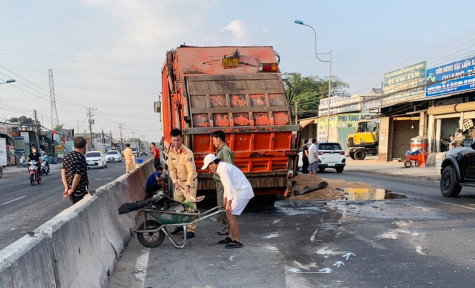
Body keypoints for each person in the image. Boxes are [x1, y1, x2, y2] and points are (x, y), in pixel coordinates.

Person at [202, 154, 254, 249]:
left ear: (213, 163)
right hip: (238, 190)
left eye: (208, 166)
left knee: (230, 213)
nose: (208, 169)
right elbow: (226, 185)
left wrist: (229, 203)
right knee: (228, 213)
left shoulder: (222, 169)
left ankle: (237, 240)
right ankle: (231, 237)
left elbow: (228, 185)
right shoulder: (222, 167)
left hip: (242, 191)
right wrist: (225, 198)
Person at [168, 128, 198, 239]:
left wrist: (188, 186)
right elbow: (171, 169)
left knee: (189, 206)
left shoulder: (187, 153)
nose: (176, 143)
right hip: (179, 183)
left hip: (189, 183)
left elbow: (191, 171)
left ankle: (191, 229)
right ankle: (180, 226)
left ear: (182, 139)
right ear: (171, 140)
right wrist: (175, 182)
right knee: (178, 205)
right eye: (174, 141)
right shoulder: (171, 152)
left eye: (178, 140)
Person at [211, 130, 234, 236]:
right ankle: (227, 227)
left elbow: (229, 167)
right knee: (221, 206)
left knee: (224, 206)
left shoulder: (225, 151)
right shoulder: (220, 150)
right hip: (220, 183)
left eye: (214, 140)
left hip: (223, 184)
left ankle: (229, 228)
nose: (213, 142)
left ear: (219, 139)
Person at [61, 137, 89, 204]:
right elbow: (77, 176)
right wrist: (72, 189)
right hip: (80, 191)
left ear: (74, 146)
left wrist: (66, 188)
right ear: (84, 147)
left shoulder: (67, 156)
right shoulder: (81, 158)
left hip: (70, 190)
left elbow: (63, 173)